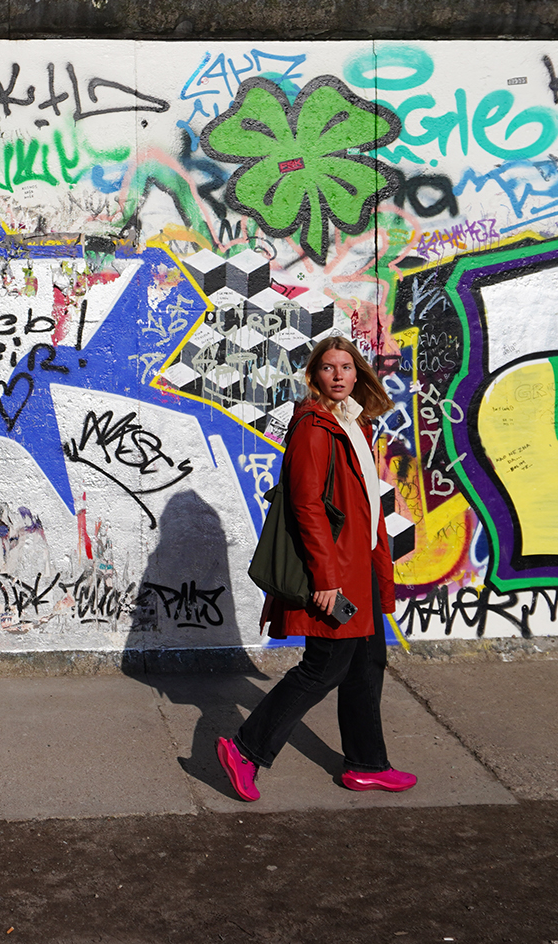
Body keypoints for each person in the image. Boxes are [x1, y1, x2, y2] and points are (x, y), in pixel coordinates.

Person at [216, 335, 415, 800]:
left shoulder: (354, 423)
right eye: (329, 368)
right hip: (336, 570)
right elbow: (306, 506)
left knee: (367, 662)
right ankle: (246, 749)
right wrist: (326, 578)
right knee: (324, 666)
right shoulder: (313, 426)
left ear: (358, 373)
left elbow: (364, 500)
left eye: (347, 367)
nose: (340, 375)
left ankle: (366, 764)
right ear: (314, 376)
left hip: (359, 562)